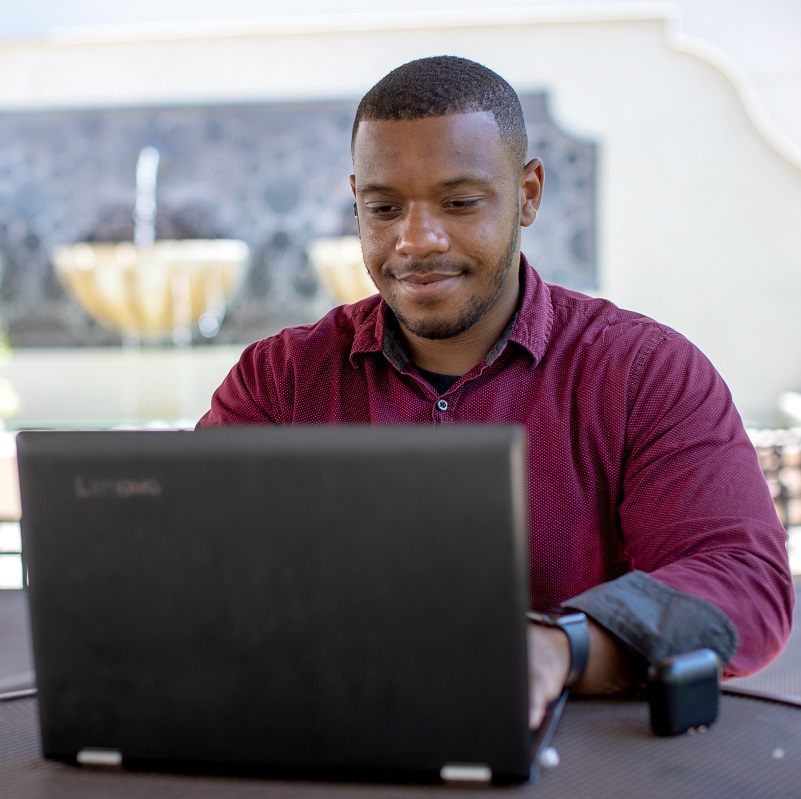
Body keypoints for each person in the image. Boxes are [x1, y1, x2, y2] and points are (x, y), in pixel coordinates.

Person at [197, 55, 794, 728]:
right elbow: (184, 566)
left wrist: (557, 647)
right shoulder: (278, 381)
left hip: (583, 761)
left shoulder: (645, 372)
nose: (414, 239)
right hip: (328, 740)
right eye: (383, 207)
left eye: (458, 202)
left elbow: (744, 582)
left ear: (528, 193)